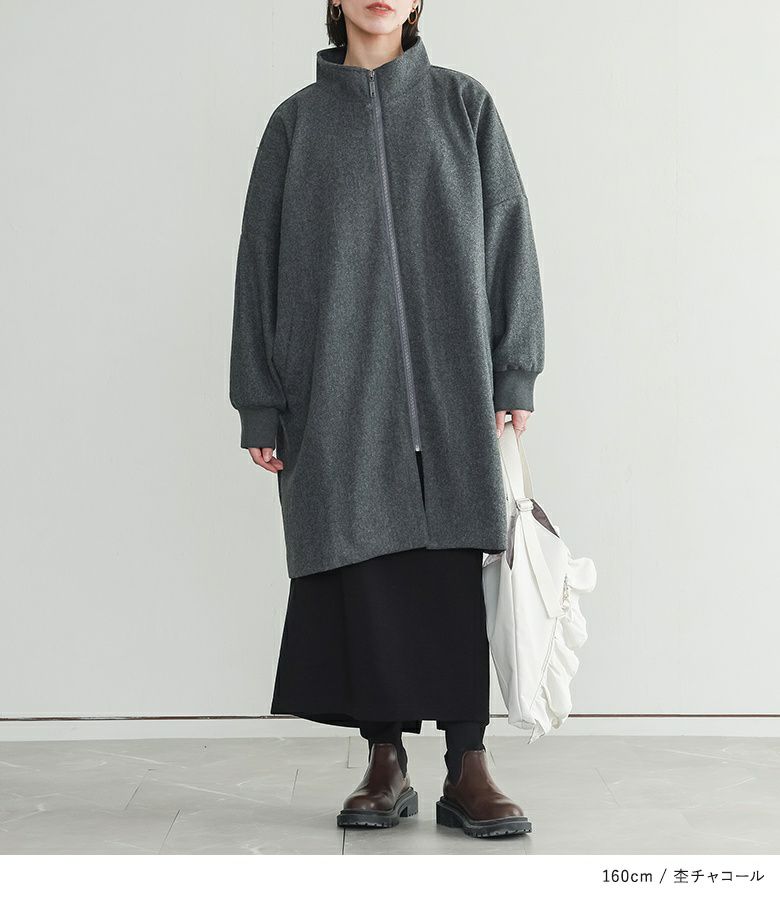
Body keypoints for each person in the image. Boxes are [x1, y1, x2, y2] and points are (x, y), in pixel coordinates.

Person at [229, 0, 544, 839]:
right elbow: (258, 262)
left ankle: (469, 764)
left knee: (452, 568)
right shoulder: (296, 125)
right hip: (337, 390)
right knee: (365, 568)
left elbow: (509, 236)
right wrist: (260, 399)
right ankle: (385, 761)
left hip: (452, 385)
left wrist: (515, 365)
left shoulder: (463, 105)